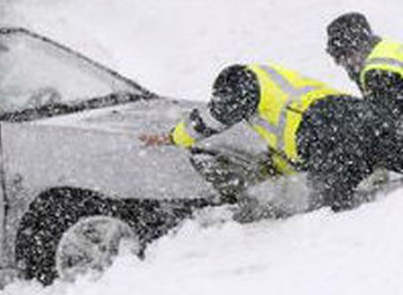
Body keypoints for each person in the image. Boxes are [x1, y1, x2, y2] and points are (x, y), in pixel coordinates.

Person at [143, 63, 378, 211]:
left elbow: (214, 117)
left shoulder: (245, 84)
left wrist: (173, 138)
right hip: (354, 115)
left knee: (327, 211)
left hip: (323, 128)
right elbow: (282, 149)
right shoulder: (274, 86)